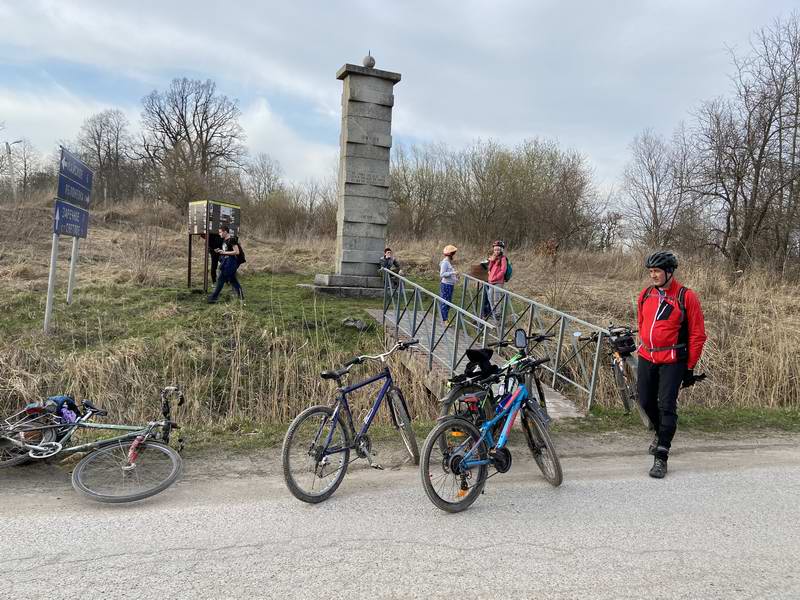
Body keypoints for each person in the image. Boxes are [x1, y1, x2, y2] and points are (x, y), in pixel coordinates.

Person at [636, 251, 706, 479]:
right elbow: (641, 322)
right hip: (647, 356)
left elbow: (697, 334)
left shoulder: (686, 297)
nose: (653, 275)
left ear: (669, 272)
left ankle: (661, 457)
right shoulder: (646, 294)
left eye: (656, 271)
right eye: (650, 272)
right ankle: (660, 432)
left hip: (673, 360)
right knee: (645, 401)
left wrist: (689, 368)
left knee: (667, 406)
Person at [207, 225, 244, 304]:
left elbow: (237, 252)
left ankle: (213, 297)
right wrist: (220, 250)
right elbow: (227, 250)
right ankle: (241, 297)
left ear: (225, 232)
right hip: (226, 262)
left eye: (220, 232)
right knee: (233, 280)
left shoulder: (232, 239)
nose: (219, 234)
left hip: (231, 262)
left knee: (221, 279)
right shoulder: (224, 240)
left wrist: (224, 252)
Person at [482, 240, 508, 320]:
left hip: (498, 281)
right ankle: (492, 312)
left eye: (498, 249)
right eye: (495, 249)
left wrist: (496, 277)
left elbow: (503, 270)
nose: (496, 251)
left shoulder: (503, 259)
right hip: (491, 281)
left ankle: (497, 314)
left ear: (501, 250)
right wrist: (492, 260)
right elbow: (489, 268)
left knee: (496, 298)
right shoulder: (494, 258)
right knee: (490, 296)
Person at [439, 245, 458, 326]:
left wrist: (456, 277)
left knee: (448, 302)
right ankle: (444, 320)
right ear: (450, 254)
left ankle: (445, 318)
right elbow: (442, 274)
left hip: (450, 285)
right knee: (445, 302)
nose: (454, 255)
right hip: (446, 285)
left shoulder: (448, 262)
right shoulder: (445, 262)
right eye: (453, 253)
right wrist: (453, 273)